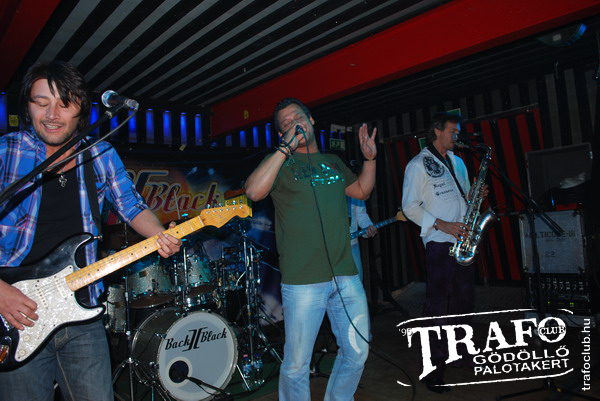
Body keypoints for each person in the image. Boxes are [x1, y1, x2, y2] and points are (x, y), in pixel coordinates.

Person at [0, 61, 181, 401]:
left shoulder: (99, 153)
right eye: (41, 102)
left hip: (82, 309)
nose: (52, 114)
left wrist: (159, 234)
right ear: (27, 106)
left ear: (81, 108)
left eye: (64, 103)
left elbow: (132, 206)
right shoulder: (6, 152)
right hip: (16, 313)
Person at [245, 98, 377, 401]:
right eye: (286, 123)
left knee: (357, 350)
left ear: (312, 120)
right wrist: (284, 149)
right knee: (296, 365)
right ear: (281, 134)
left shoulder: (333, 162)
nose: (294, 124)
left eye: (298, 117)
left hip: (345, 274)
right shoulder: (280, 164)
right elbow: (253, 191)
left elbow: (361, 191)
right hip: (303, 280)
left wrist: (370, 160)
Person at [401, 112, 485, 393]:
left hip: (463, 241)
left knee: (464, 302)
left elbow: (461, 198)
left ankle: (461, 354)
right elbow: (409, 207)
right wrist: (442, 224)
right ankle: (433, 369)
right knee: (437, 308)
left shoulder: (458, 162)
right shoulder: (417, 164)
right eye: (452, 131)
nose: (456, 136)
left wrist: (475, 196)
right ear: (436, 131)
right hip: (439, 241)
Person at [347, 196, 377, 281]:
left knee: (356, 285)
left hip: (352, 246)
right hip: (326, 248)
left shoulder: (355, 190)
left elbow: (361, 215)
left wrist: (368, 227)